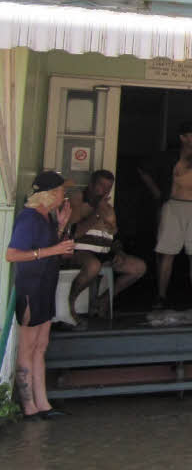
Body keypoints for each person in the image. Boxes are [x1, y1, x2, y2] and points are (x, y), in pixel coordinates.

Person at [5, 171, 77, 419]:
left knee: (41, 345)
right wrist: (53, 249)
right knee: (27, 346)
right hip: (31, 287)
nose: (63, 195)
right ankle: (29, 406)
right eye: (60, 191)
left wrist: (61, 227)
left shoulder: (47, 218)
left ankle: (43, 403)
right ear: (48, 194)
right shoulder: (29, 218)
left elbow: (48, 247)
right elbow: (12, 254)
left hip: (46, 285)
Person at [139, 119, 192, 309]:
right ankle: (161, 296)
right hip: (174, 206)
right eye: (191, 135)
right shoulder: (169, 156)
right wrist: (157, 193)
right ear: (182, 137)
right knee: (167, 252)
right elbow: (143, 170)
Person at [64, 169, 147, 323]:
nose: (105, 190)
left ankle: (101, 301)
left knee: (139, 267)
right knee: (93, 266)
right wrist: (97, 213)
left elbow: (113, 238)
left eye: (109, 187)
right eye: (101, 186)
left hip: (104, 251)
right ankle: (71, 305)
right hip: (80, 251)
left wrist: (119, 251)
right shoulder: (78, 200)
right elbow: (73, 234)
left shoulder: (108, 209)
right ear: (91, 185)